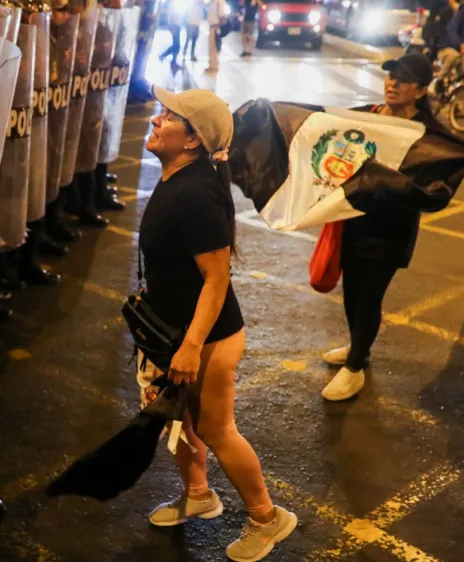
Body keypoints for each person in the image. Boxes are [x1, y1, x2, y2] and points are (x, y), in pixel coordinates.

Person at [141, 86, 297, 562]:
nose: (155, 120)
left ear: (192, 140)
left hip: (207, 337)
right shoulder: (178, 178)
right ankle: (199, 494)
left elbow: (216, 280)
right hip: (174, 332)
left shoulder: (195, 194)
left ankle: (268, 518)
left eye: (168, 117)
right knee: (179, 418)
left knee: (216, 428)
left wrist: (191, 346)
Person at [321, 54, 464, 401]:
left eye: (402, 79)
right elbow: (326, 129)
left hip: (389, 231)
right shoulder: (370, 114)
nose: (392, 83)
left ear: (419, 90)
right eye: (390, 76)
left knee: (369, 295)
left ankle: (354, 369)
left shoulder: (429, 136)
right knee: (352, 291)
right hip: (353, 221)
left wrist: (395, 187)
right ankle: (359, 348)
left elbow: (438, 188)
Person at [207, 0, 227, 72]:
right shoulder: (212, 1)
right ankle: (211, 65)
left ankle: (214, 66)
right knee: (211, 46)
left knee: (215, 46)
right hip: (212, 26)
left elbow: (221, 14)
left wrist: (219, 26)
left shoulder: (219, 1)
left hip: (216, 27)